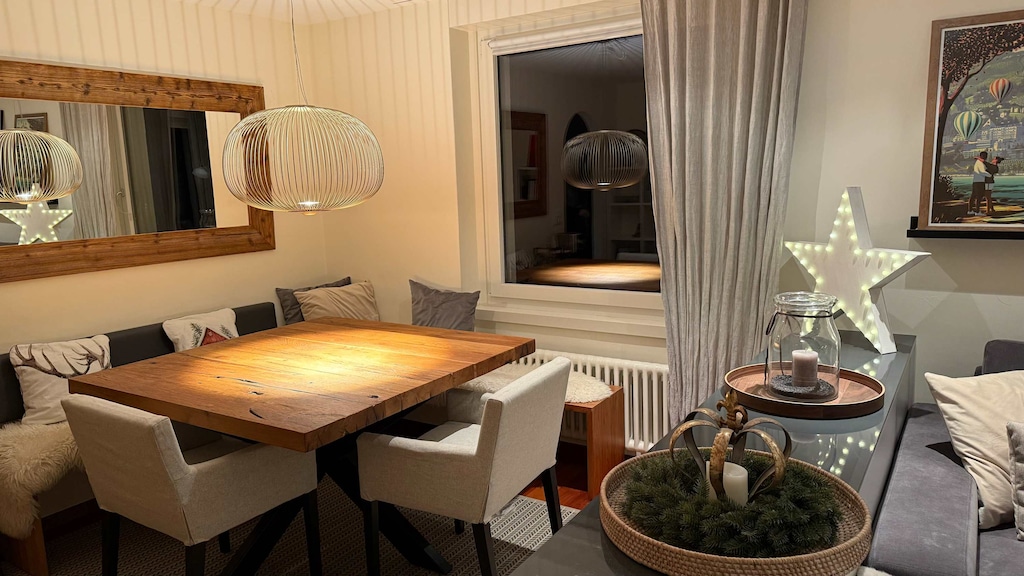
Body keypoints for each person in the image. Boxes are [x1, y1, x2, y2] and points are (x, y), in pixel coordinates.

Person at [970, 151, 990, 216]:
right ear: (981, 156)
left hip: (975, 181)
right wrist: (989, 175)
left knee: (973, 196)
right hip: (980, 182)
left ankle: (970, 210)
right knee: (979, 196)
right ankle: (977, 211)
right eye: (985, 156)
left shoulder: (977, 162)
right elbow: (982, 172)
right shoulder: (980, 163)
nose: (986, 157)